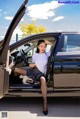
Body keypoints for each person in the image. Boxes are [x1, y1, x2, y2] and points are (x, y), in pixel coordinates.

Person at [12, 40, 52, 115]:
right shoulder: (35, 55)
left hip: (40, 74)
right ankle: (19, 80)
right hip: (33, 71)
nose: (43, 48)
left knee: (43, 79)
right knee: (15, 69)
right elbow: (32, 64)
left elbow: (53, 45)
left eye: (44, 46)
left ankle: (45, 102)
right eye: (41, 46)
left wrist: (47, 42)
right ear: (38, 47)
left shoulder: (48, 54)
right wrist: (31, 65)